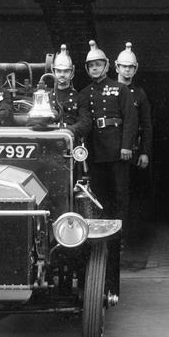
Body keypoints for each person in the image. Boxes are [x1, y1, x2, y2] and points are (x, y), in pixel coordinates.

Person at [81, 40, 138, 293]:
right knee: (100, 203)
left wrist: (127, 146)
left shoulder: (120, 89)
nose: (95, 68)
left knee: (119, 200)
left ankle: (119, 240)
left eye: (98, 64)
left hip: (117, 152)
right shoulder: (84, 94)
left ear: (106, 66)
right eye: (91, 65)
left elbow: (131, 119)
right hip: (96, 155)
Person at [114, 42, 154, 235]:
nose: (127, 70)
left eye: (130, 67)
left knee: (130, 193)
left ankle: (128, 234)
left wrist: (145, 151)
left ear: (135, 69)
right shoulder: (110, 90)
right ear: (116, 67)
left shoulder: (139, 94)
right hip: (112, 149)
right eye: (124, 66)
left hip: (133, 151)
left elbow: (146, 125)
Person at [47, 44, 91, 140]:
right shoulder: (46, 96)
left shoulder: (80, 98)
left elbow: (85, 123)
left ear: (72, 72)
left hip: (70, 137)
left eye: (66, 71)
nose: (62, 75)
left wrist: (69, 131)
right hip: (49, 138)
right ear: (53, 71)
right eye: (59, 71)